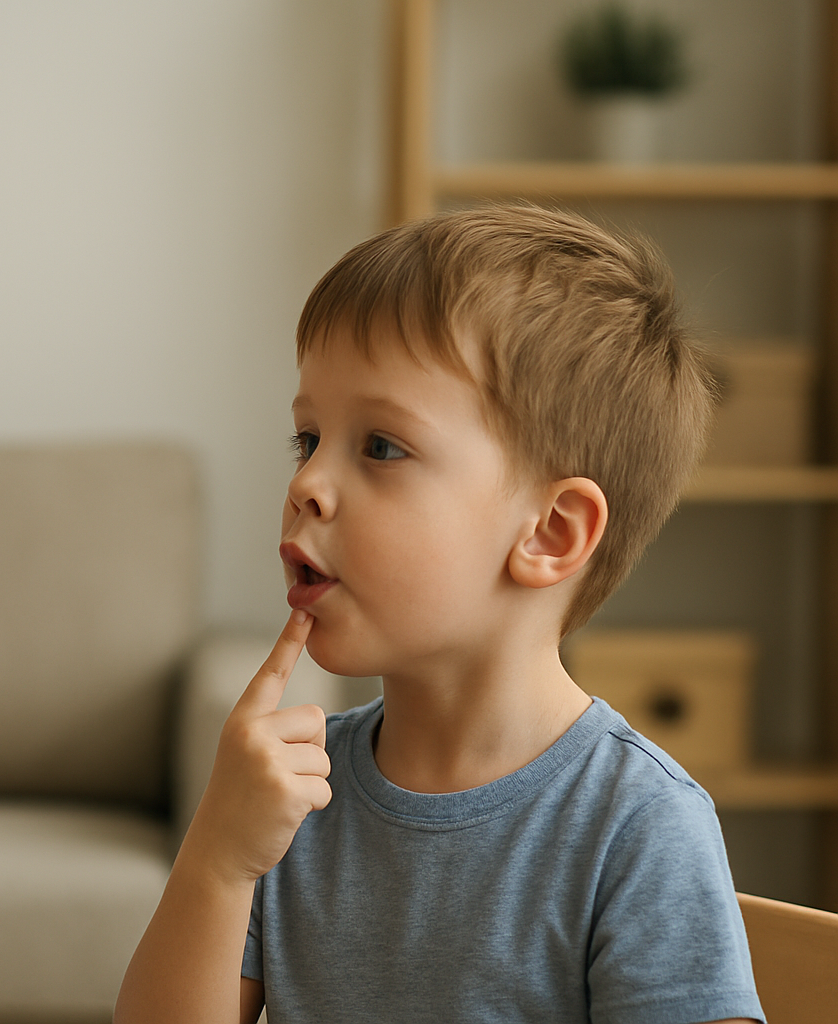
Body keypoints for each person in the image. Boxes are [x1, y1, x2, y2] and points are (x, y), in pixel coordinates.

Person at [115, 205, 765, 1024]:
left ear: (551, 533)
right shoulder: (290, 799)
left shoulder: (638, 825)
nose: (306, 483)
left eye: (380, 446)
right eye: (307, 438)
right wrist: (218, 856)